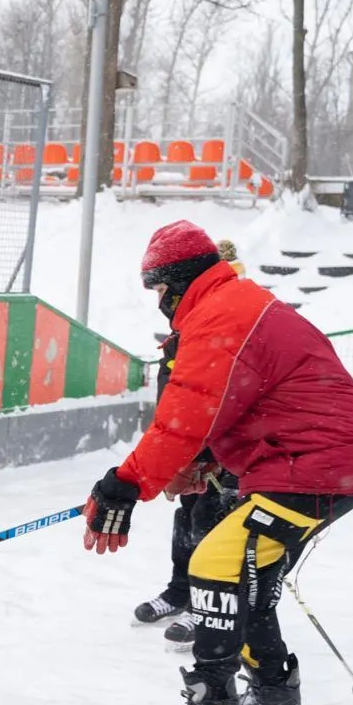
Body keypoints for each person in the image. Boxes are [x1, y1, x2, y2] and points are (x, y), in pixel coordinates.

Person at [81, 220, 353, 705]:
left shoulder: (220, 315)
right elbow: (236, 408)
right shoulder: (231, 304)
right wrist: (205, 465)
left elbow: (184, 417)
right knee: (244, 572)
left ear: (173, 281)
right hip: (309, 459)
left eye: (157, 291)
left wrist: (123, 484)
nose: (159, 303)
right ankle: (273, 693)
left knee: (216, 563)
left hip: (316, 463)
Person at [131, 238, 247, 644]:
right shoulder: (184, 327)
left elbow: (223, 397)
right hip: (190, 448)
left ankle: (210, 608)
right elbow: (177, 392)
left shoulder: (227, 319)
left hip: (227, 455)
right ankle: (181, 591)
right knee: (188, 519)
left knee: (214, 529)